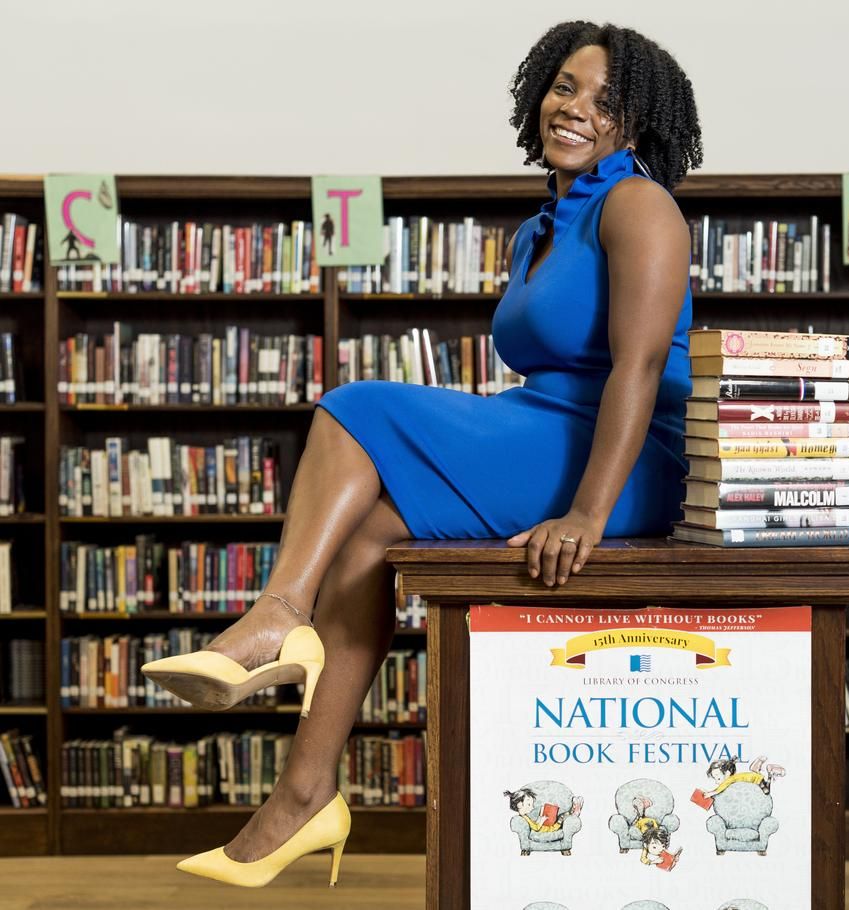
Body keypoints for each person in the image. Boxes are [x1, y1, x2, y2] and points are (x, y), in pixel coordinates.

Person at [140, 20, 703, 888]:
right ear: (535, 95)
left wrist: (588, 513)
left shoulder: (640, 205)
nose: (575, 108)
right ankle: (304, 794)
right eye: (563, 86)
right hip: (544, 425)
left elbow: (638, 369)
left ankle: (278, 613)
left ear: (639, 123)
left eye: (605, 100)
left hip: (627, 458)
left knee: (355, 405)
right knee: (366, 532)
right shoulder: (542, 228)